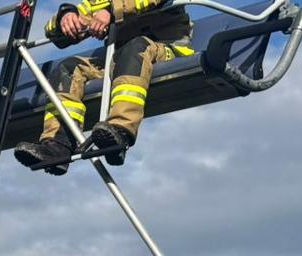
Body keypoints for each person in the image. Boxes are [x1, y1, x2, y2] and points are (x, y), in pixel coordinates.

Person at [14, 0, 195, 174]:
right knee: (68, 68)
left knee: (136, 47)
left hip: (167, 48)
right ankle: (58, 144)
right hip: (119, 59)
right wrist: (66, 17)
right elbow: (57, 31)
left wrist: (111, 11)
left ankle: (120, 131)